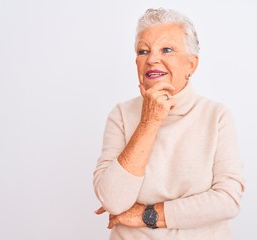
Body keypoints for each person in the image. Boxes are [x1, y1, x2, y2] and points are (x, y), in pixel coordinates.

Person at [93, 8, 245, 240]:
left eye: (167, 49)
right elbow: (113, 200)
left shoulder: (216, 116)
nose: (152, 59)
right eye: (143, 51)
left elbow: (227, 201)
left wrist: (146, 215)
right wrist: (150, 120)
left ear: (191, 65)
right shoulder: (121, 114)